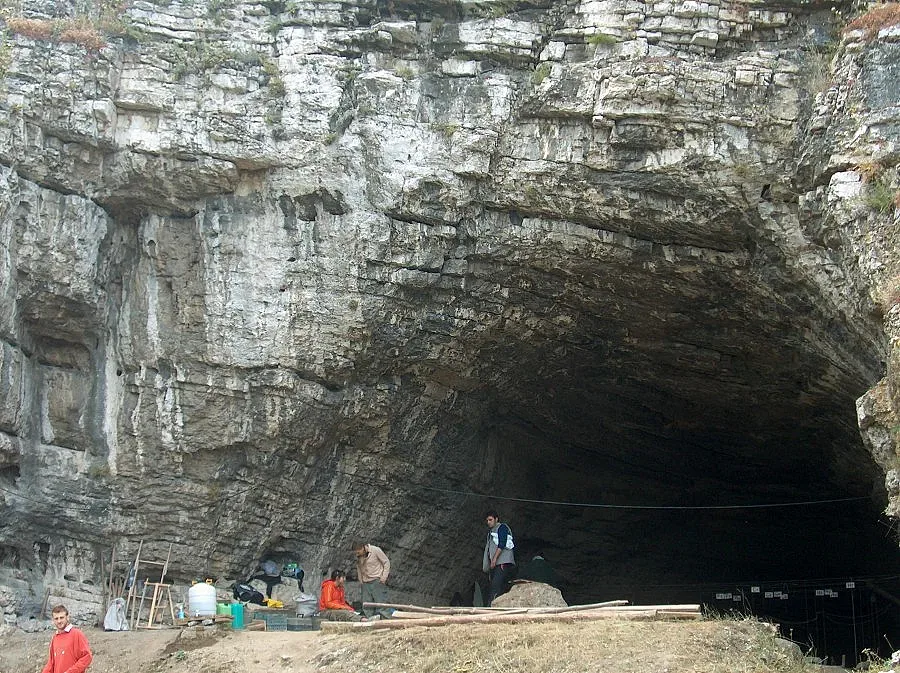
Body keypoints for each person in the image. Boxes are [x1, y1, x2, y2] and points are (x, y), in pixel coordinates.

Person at [42, 604, 93, 673]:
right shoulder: (55, 637)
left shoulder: (77, 634)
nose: (59, 621)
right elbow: (51, 662)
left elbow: (87, 657)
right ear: (53, 620)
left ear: (67, 617)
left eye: (61, 617)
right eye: (56, 618)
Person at [482, 510, 516, 605]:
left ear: (496, 519)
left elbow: (502, 543)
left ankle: (491, 606)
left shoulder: (502, 528)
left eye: (490, 520)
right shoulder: (491, 532)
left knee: (496, 585)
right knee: (495, 584)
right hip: (495, 564)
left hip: (502, 563)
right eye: (487, 520)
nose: (488, 522)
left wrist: (494, 559)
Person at [353, 541, 391, 619]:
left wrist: (384, 577)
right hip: (365, 582)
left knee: (381, 604)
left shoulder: (375, 550)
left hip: (377, 580)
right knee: (367, 605)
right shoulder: (359, 556)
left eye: (358, 552)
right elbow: (358, 567)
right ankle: (369, 622)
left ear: (363, 548)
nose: (357, 554)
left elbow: (386, 562)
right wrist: (361, 580)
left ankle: (386, 620)